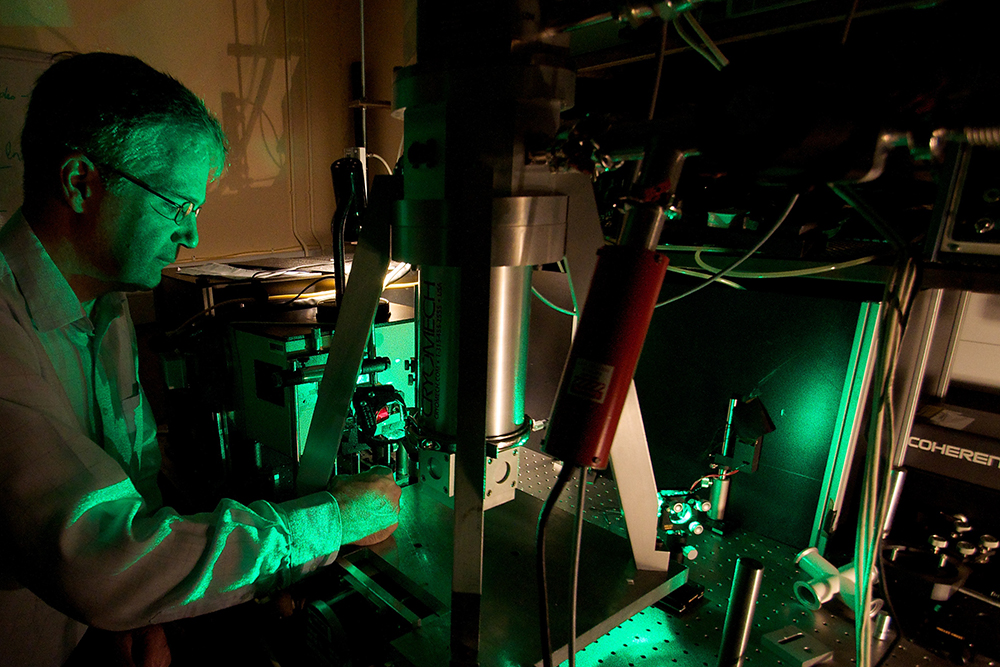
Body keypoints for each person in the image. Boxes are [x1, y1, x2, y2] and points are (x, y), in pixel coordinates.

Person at [0, 52, 401, 666]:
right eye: (176, 206)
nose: (190, 237)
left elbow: (134, 498)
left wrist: (154, 609)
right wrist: (331, 522)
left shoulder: (105, 309)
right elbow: (99, 557)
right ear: (80, 182)